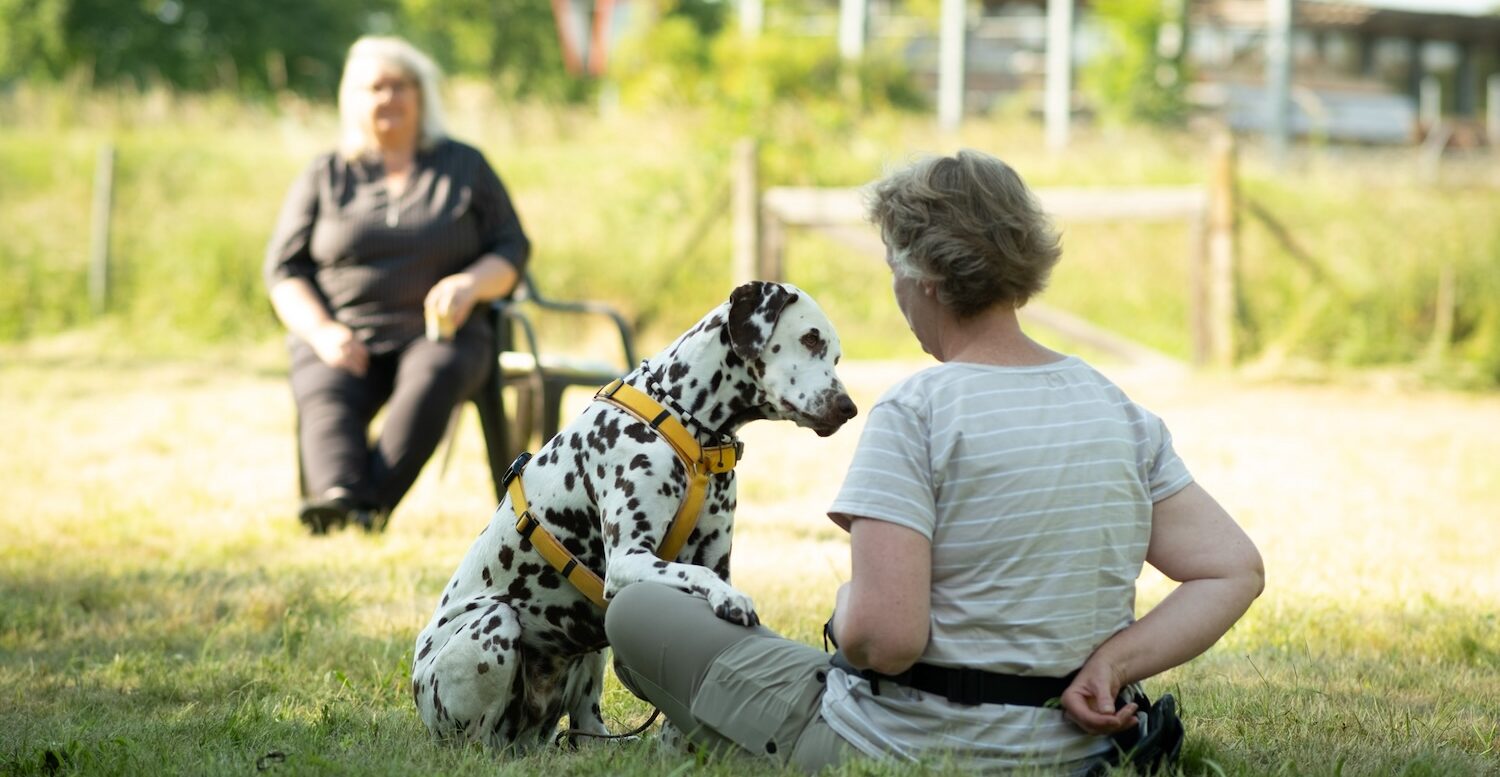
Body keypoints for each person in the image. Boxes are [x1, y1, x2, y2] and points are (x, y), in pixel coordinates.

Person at [604, 150, 1264, 773]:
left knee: (635, 611)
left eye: (892, 268)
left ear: (926, 279)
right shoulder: (1115, 407)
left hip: (897, 747)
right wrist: (1113, 666)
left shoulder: (915, 411)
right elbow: (1232, 568)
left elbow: (883, 641)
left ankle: (730, 736)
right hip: (1075, 755)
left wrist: (845, 606)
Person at [263, 36, 529, 534]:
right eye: (375, 87)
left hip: (442, 333)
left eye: (400, 85)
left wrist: (470, 283)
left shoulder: (465, 166)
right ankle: (340, 495)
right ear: (353, 99)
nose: (388, 97)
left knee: (433, 375)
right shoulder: (325, 174)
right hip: (344, 332)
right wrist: (322, 332)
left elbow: (512, 249)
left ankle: (361, 509)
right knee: (323, 386)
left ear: (421, 95)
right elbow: (284, 269)